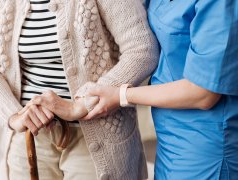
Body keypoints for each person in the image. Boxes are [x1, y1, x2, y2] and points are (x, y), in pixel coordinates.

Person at [42, 0, 237, 179]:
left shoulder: (220, 3)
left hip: (208, 141)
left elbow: (203, 93)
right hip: (170, 138)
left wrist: (121, 95)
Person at [0, 0, 159, 179]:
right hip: (30, 140)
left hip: (97, 135)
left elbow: (142, 49)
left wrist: (85, 103)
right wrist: (13, 115)